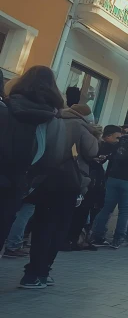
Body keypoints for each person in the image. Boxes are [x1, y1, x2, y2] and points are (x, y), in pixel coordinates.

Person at [20, 99, 98, 288]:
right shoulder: (82, 127)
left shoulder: (53, 120)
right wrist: (95, 134)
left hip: (45, 179)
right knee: (58, 227)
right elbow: (92, 151)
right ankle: (43, 271)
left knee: (41, 225)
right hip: (69, 182)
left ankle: (32, 272)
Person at [0, 66, 61, 250]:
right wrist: (30, 182)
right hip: (19, 179)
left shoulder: (6, 106)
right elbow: (52, 157)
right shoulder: (52, 119)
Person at [90, 117, 128, 248]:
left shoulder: (123, 139)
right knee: (124, 210)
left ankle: (97, 235)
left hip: (115, 177)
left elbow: (115, 155)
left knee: (107, 208)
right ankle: (117, 238)